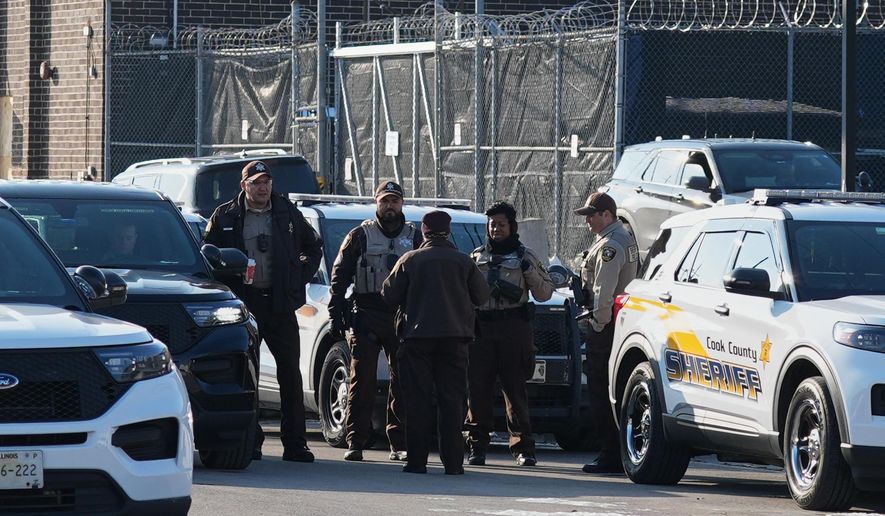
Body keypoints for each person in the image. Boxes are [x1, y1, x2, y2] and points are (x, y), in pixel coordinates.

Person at [205, 160, 323, 463]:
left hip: (280, 304)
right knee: (247, 376)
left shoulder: (287, 212)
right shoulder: (226, 216)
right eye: (256, 182)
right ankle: (252, 441)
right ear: (244, 185)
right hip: (246, 305)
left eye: (266, 181)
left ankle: (296, 444)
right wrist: (227, 285)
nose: (263, 187)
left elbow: (313, 247)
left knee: (290, 375)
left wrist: (299, 276)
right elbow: (209, 255)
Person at [380, 210, 489, 475]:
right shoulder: (464, 262)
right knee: (452, 401)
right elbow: (482, 296)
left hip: (417, 340)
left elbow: (388, 295)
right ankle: (453, 463)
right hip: (455, 340)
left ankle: (417, 462)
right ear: (449, 231)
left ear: (424, 231)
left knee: (417, 400)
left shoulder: (410, 260)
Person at [328, 180, 421, 462]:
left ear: (402, 203)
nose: (389, 206)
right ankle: (356, 441)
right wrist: (336, 312)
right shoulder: (360, 235)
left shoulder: (415, 237)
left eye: (394, 200)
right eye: (385, 201)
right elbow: (340, 275)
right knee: (362, 380)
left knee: (403, 379)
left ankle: (399, 442)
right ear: (376, 202)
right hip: (367, 312)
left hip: (401, 315)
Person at [464, 201, 554, 467]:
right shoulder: (476, 257)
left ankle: (523, 448)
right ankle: (477, 447)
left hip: (513, 327)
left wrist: (528, 272)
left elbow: (544, 293)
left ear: (511, 226)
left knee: (515, 390)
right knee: (478, 390)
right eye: (492, 225)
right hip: (482, 329)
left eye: (501, 224)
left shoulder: (526, 257)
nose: (496, 229)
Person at [573, 192, 639, 474]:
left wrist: (597, 325)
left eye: (592, 214)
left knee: (601, 390)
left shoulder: (610, 245)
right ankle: (617, 450)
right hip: (620, 323)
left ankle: (610, 453)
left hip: (607, 325)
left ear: (607, 216)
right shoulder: (621, 238)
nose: (588, 220)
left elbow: (603, 292)